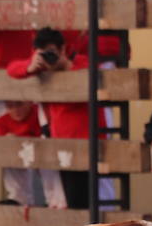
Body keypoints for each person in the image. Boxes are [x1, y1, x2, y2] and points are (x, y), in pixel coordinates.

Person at [7, 26, 101, 211]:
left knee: (83, 202)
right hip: (61, 145)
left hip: (84, 143)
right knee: (69, 202)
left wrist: (65, 66)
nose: (49, 58)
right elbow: (12, 69)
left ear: (62, 49)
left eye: (52, 53)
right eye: (43, 54)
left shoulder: (82, 63)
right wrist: (30, 67)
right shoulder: (41, 68)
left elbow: (92, 77)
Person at [0, 99, 59, 207]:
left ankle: (56, 205)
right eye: (10, 106)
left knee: (50, 169)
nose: (16, 110)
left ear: (29, 102)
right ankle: (20, 204)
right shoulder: (3, 121)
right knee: (11, 163)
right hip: (20, 159)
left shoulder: (39, 115)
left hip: (45, 157)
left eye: (19, 105)